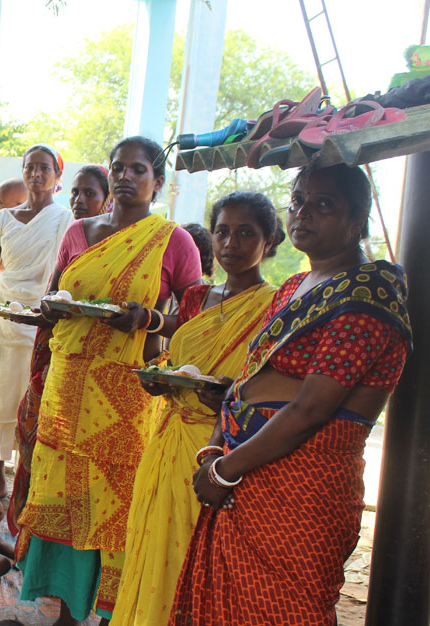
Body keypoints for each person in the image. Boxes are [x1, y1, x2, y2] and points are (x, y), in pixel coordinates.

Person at [172, 163, 412, 626]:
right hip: (245, 471)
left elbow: (311, 408)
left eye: (324, 205)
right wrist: (218, 447)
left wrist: (223, 470)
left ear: (357, 219)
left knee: (285, 613)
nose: (303, 213)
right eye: (298, 200)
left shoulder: (368, 297)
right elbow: (250, 376)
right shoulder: (294, 288)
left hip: (301, 491)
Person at [19, 136, 202, 625]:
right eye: (118, 168)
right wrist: (50, 309)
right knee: (60, 491)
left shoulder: (172, 241)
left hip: (125, 395)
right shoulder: (79, 231)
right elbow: (56, 294)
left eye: (138, 170)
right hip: (68, 382)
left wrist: (151, 321)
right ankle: (64, 609)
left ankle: (107, 612)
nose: (125, 176)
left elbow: (196, 315)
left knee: (114, 499)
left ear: (157, 182)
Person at [113, 192, 282, 626]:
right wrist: (159, 379)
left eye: (247, 234)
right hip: (169, 436)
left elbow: (274, 381)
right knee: (156, 540)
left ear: (270, 241)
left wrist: (233, 393)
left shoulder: (277, 307)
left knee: (200, 552)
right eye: (223, 232)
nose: (232, 243)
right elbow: (174, 356)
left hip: (223, 448)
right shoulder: (195, 298)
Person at [7, 165, 109, 538]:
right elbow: (53, 295)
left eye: (91, 194)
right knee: (36, 439)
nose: (80, 201)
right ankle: (30, 534)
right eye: (76, 193)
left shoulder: (139, 244)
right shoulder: (74, 234)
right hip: (59, 357)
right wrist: (39, 313)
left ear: (107, 198)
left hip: (106, 373)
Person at [0, 145, 73, 498]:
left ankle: (26, 477)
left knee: (33, 398)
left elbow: (65, 271)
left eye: (44, 168)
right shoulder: (1, 219)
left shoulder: (66, 219)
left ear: (57, 176)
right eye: (30, 167)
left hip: (41, 319)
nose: (36, 173)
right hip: (2, 316)